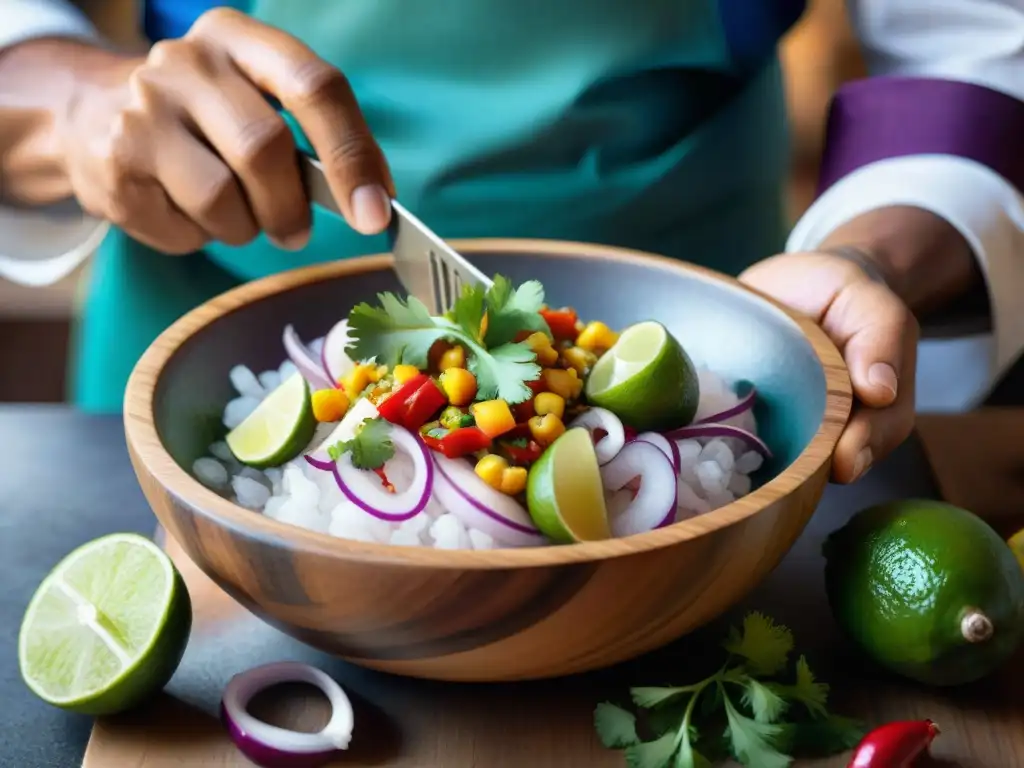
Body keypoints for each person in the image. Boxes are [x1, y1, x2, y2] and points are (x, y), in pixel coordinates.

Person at [2, 0, 1023, 487]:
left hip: (704, 339)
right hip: (201, 327)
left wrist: (868, 258)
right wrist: (74, 102)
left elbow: (971, 36)